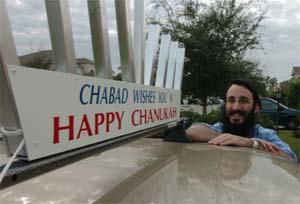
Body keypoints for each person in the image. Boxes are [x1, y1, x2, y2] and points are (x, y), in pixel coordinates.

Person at [185, 79, 297, 162]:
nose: (235, 107)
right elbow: (191, 131)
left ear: (256, 107)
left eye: (243, 101)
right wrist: (229, 138)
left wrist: (251, 143)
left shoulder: (264, 134)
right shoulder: (220, 128)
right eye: (231, 100)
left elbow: (290, 158)